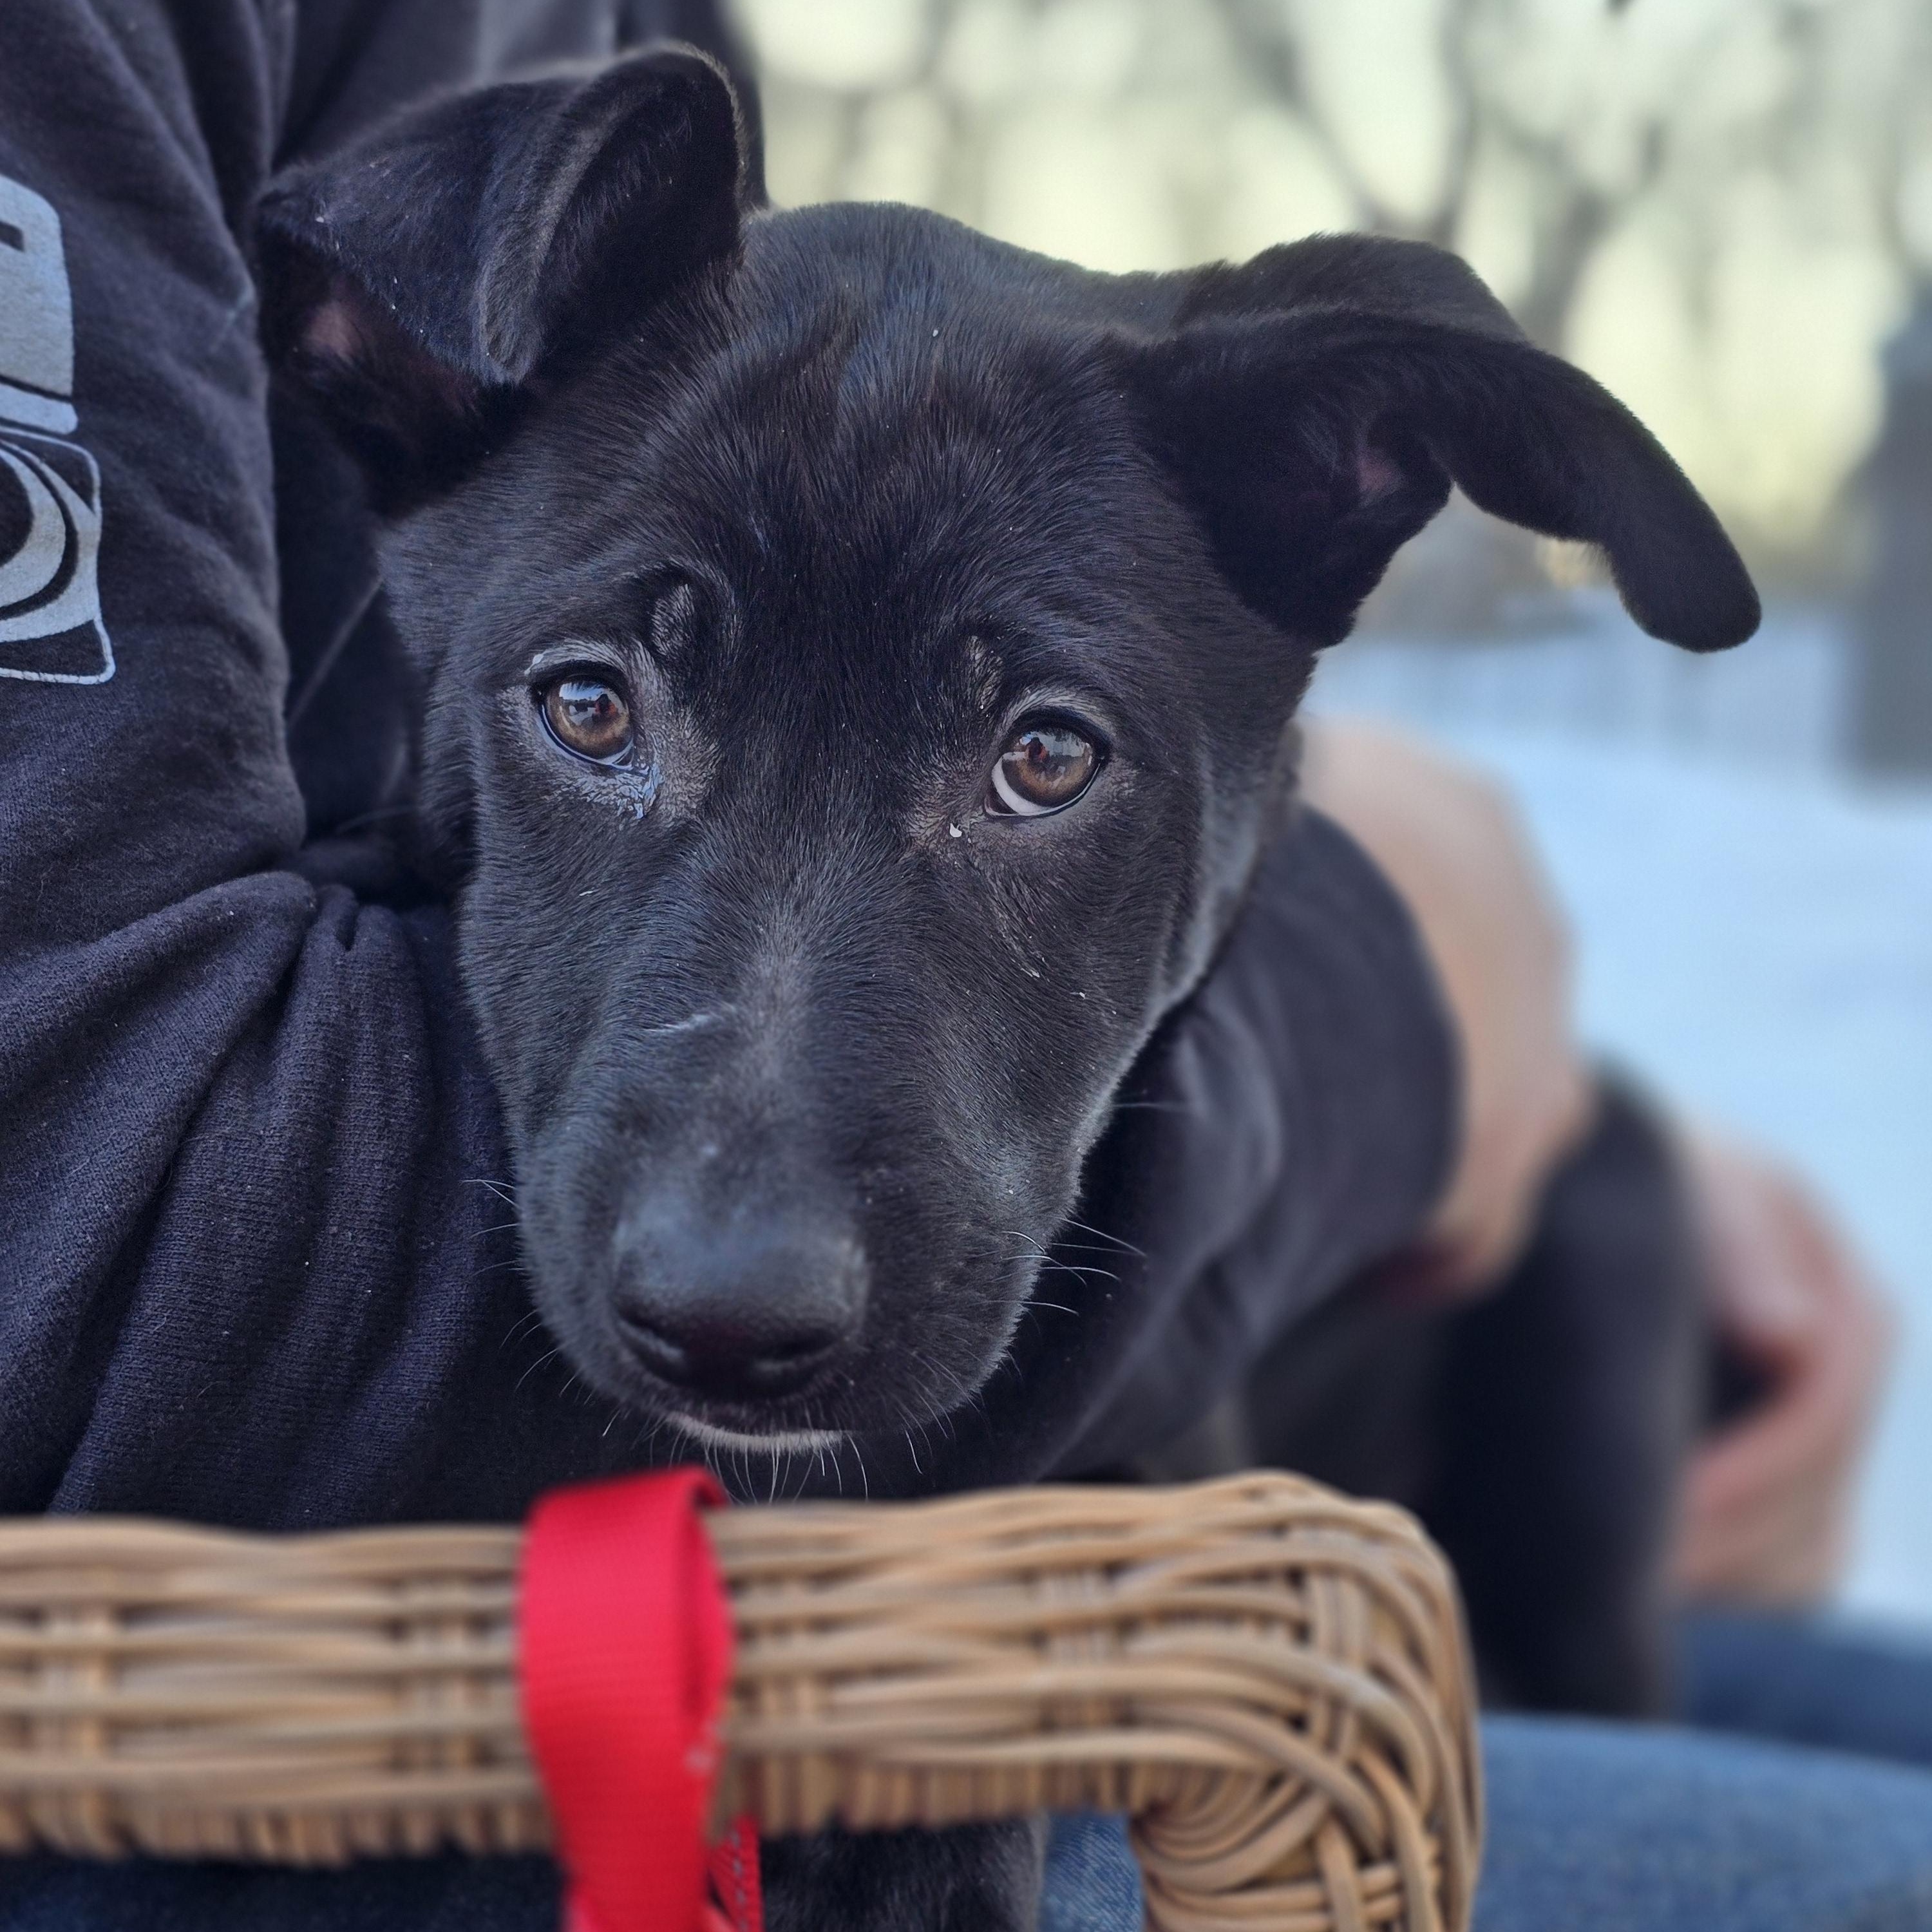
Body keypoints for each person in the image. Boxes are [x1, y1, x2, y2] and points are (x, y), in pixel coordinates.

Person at [0, 3, 1925, 1927]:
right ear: (384, 368)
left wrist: (1543, 1102)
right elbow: (107, 1225)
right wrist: (1402, 985)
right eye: (598, 703)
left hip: (1385, 1541)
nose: (737, 1255)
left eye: (1038, 757)